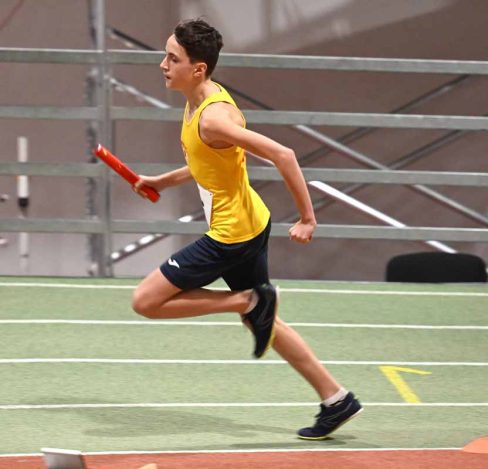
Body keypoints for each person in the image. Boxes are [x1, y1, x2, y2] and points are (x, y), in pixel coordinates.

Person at [132, 18, 362, 440]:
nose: (162, 64)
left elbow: (284, 154)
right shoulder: (199, 99)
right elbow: (208, 162)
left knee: (146, 301)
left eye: (172, 58)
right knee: (264, 320)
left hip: (231, 236)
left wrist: (308, 218)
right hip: (250, 222)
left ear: (198, 69)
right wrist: (164, 181)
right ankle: (336, 399)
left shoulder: (214, 118)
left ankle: (244, 300)